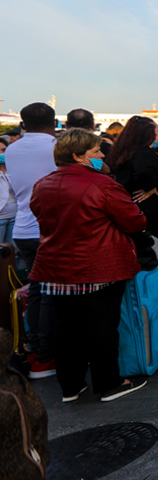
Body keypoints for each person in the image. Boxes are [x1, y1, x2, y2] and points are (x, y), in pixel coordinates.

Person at [30, 129, 149, 402]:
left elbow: (39, 214)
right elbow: (134, 221)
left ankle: (70, 386)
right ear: (78, 155)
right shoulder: (102, 184)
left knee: (67, 328)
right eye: (96, 152)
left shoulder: (43, 184)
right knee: (102, 326)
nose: (101, 155)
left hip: (55, 267)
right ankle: (109, 383)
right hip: (99, 264)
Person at [7, 102, 60, 379]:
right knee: (52, 294)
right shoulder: (56, 147)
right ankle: (46, 356)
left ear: (22, 122)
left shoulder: (13, 149)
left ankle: (37, 351)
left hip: (23, 229)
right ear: (54, 121)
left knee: (37, 291)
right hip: (52, 230)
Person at [107, 116, 158, 246]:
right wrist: (151, 187)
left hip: (128, 205)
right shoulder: (144, 153)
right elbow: (143, 171)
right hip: (147, 209)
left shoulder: (122, 151)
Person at [0, 140, 15, 244]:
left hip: (15, 218)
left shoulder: (14, 170)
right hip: (1, 218)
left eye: (4, 150)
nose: (1, 153)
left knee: (12, 253)